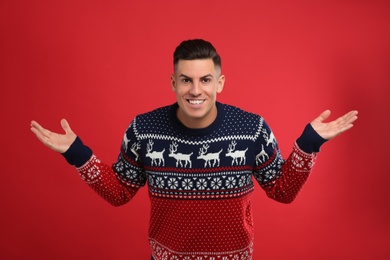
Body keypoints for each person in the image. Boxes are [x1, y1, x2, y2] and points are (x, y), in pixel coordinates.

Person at [31, 39, 358, 260]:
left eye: (205, 80)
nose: (195, 90)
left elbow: (283, 190)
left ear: (220, 83)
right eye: (186, 80)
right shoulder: (143, 130)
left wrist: (309, 142)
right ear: (173, 83)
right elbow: (119, 191)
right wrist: (75, 151)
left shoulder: (251, 129)